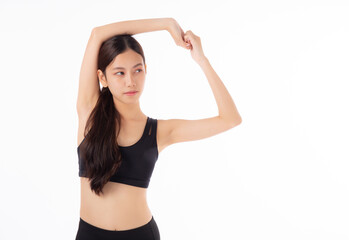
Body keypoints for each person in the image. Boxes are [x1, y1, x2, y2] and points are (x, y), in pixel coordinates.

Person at [75, 17, 242, 240]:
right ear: (102, 77)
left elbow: (230, 119)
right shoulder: (89, 113)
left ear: (146, 70)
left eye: (137, 70)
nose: (130, 82)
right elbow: (97, 34)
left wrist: (201, 59)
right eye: (119, 73)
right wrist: (166, 24)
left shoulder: (159, 131)